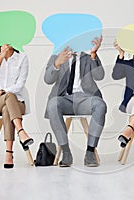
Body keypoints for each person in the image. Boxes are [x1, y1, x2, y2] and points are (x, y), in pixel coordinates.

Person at [44, 36, 107, 167]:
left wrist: (94, 55)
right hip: (65, 99)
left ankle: (90, 152)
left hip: (85, 99)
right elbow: (47, 80)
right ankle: (66, 153)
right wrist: (57, 63)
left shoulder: (88, 56)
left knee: (100, 105)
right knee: (52, 105)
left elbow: (99, 76)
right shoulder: (58, 55)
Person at [0, 44, 34, 169]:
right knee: (8, 97)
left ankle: (9, 154)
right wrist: (1, 57)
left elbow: (20, 85)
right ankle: (21, 132)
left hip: (17, 103)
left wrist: (1, 91)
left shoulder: (22, 57)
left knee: (8, 103)